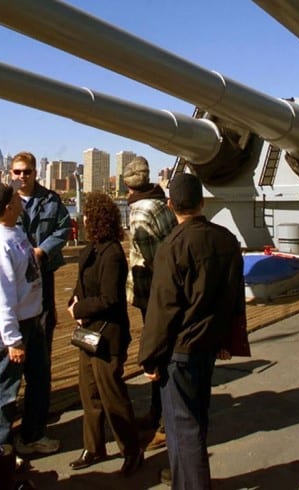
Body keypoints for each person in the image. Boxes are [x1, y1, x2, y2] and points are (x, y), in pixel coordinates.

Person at [138, 173, 247, 490]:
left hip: (180, 351)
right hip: (209, 346)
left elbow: (163, 310)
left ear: (170, 205)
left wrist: (149, 359)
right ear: (202, 202)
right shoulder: (226, 240)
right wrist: (227, 340)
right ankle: (183, 480)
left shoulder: (171, 247)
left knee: (181, 426)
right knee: (197, 418)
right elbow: (233, 298)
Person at [0, 182, 60, 455]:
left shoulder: (16, 232)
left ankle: (32, 435)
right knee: (5, 390)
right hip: (11, 328)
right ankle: (0, 449)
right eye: (16, 198)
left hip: (31, 320)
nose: (21, 200)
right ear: (10, 206)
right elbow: (0, 298)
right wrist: (12, 339)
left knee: (38, 379)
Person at [66, 192, 143, 476]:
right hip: (88, 333)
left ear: (96, 219)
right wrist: (74, 302)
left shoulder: (111, 253)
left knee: (112, 396)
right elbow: (81, 285)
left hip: (107, 335)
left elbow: (110, 298)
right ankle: (94, 447)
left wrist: (80, 309)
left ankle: (132, 449)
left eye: (87, 214)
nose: (83, 218)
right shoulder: (91, 248)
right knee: (89, 394)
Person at [0, 151, 71, 355]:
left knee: (44, 322)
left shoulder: (51, 200)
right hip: (12, 272)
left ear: (35, 173)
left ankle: (40, 371)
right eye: (18, 172)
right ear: (11, 173)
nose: (22, 176)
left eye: (27, 172)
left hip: (43, 270)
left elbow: (63, 228)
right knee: (8, 313)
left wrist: (43, 251)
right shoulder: (0, 199)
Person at [122, 156, 177, 449]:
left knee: (159, 355)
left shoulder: (139, 213)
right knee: (161, 353)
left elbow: (153, 258)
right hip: (162, 290)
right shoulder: (159, 202)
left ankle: (166, 424)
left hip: (154, 293)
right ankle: (157, 414)